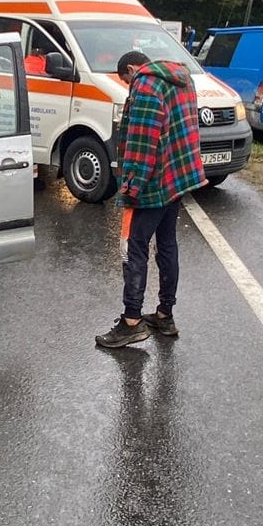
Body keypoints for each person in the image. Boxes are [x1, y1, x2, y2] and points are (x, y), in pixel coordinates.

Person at [97, 48, 205, 350]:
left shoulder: (146, 86)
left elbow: (143, 143)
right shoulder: (183, 79)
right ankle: (164, 314)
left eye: (125, 80)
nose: (128, 86)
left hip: (154, 181)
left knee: (135, 247)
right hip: (177, 175)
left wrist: (130, 186)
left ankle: (131, 321)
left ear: (132, 68)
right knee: (167, 244)